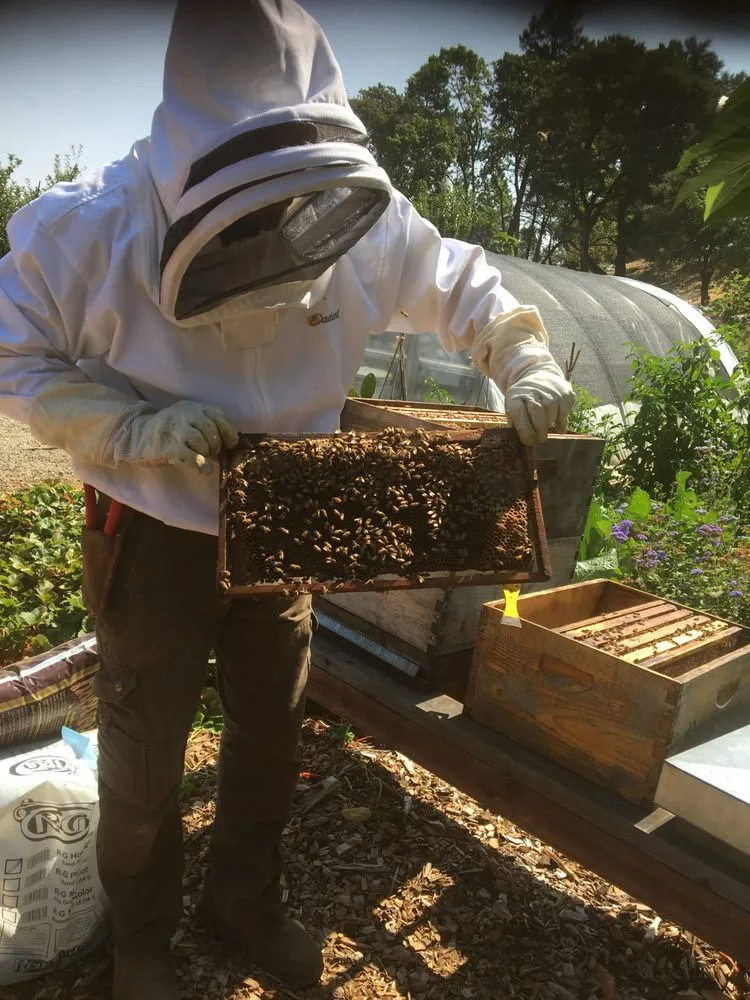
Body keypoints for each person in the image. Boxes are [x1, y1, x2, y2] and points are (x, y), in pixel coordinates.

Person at [0, 1, 575, 997]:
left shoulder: (367, 216)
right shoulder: (98, 222)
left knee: (271, 729)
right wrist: (127, 426)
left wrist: (518, 346)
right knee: (143, 751)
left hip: (294, 519)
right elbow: (14, 351)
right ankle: (144, 938)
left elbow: (458, 282)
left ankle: (244, 902)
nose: (272, 239)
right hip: (155, 530)